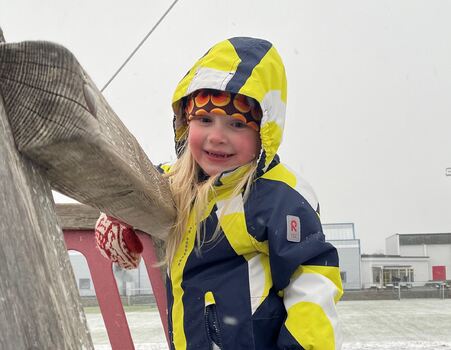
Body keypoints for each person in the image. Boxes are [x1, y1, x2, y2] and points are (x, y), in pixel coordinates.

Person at [95, 37, 343, 349]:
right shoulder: (179, 181)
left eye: (237, 124)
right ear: (186, 121)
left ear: (264, 132)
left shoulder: (279, 197)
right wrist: (117, 215)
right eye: (205, 119)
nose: (216, 137)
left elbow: (312, 280)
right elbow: (135, 184)